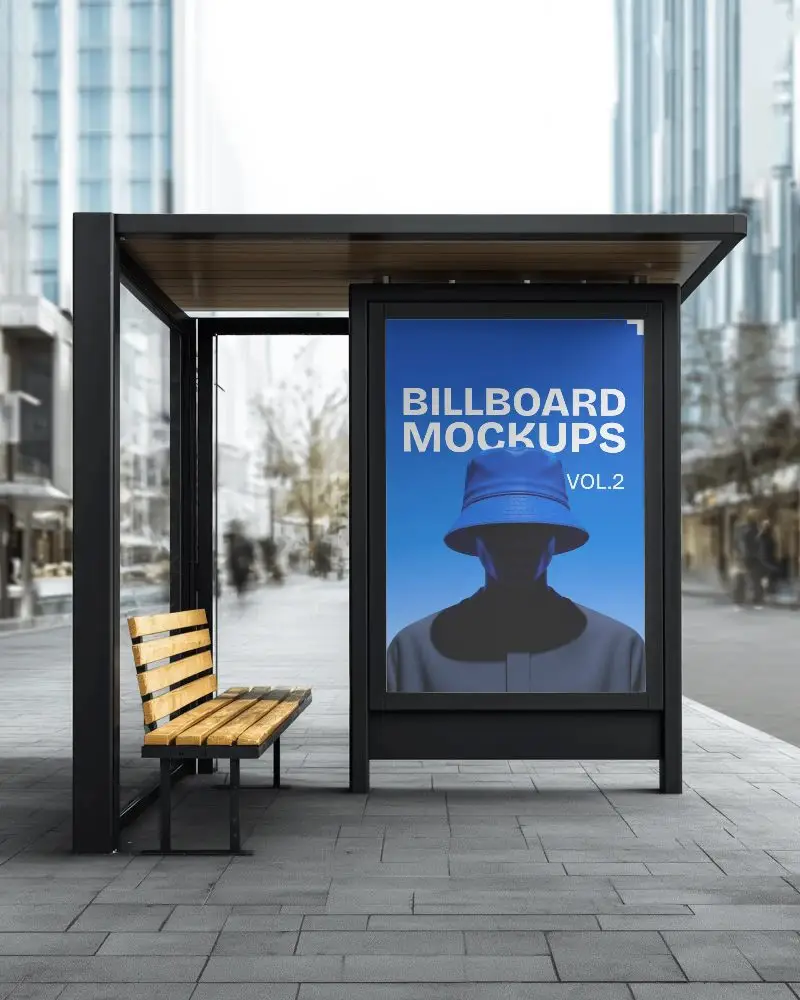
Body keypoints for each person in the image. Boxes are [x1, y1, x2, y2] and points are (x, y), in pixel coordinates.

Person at [387, 447, 645, 694]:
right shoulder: (412, 652)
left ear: (555, 537)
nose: (517, 544)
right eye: (498, 529)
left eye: (534, 528)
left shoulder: (619, 651)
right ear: (474, 538)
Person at [732, 508, 767, 609]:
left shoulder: (745, 528)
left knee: (745, 579)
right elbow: (751, 543)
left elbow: (740, 543)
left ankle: (742, 601)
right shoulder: (752, 529)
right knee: (753, 579)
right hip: (750, 557)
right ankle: (754, 601)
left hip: (747, 557)